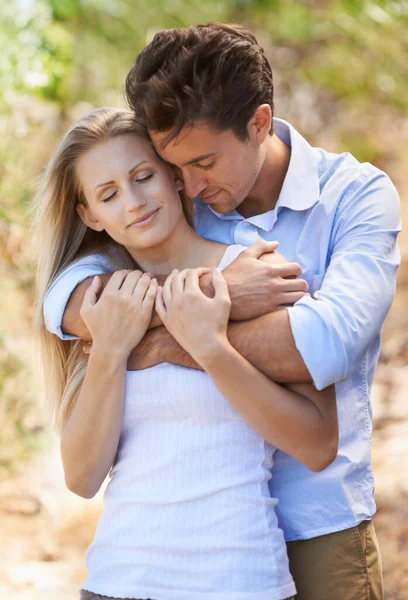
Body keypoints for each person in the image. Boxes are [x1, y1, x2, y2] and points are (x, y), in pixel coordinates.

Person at [43, 23, 401, 600]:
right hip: (133, 570)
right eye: (171, 166)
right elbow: (69, 300)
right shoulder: (169, 219)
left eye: (198, 164)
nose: (185, 184)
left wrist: (167, 337)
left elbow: (323, 345)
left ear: (258, 124)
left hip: (311, 523)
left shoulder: (348, 201)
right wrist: (215, 294)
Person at [35, 107, 338, 600]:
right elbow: (83, 477)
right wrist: (111, 349)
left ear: (175, 175)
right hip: (120, 581)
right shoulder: (97, 307)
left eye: (143, 177)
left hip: (241, 580)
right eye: (109, 195)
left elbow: (318, 445)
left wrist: (210, 346)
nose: (133, 203)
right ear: (90, 215)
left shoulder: (259, 272)